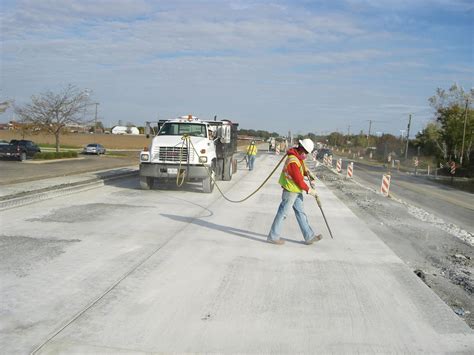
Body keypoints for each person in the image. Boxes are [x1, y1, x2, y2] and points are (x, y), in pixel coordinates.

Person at [267, 138, 322, 245]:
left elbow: (302, 170)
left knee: (301, 213)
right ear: (301, 149)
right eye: (306, 152)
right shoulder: (293, 159)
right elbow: (298, 179)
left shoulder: (298, 158)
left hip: (296, 190)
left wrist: (309, 174)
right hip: (290, 190)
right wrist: (309, 190)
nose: (306, 154)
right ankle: (273, 236)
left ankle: (309, 236)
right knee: (283, 213)